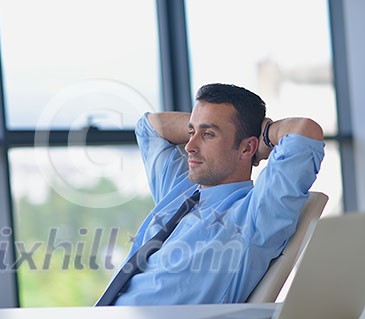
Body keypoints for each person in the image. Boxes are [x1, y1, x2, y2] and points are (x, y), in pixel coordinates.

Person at [99, 83, 324, 306]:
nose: (190, 146)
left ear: (246, 148)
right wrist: (208, 124)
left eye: (208, 134)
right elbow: (150, 127)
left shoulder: (256, 215)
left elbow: (306, 131)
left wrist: (263, 133)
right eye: (190, 132)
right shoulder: (180, 189)